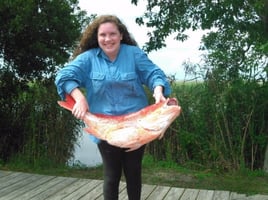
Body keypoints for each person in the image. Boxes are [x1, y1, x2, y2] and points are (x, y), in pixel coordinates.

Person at [55, 15, 171, 200]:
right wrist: (79, 98)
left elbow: (154, 74)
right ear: (97, 37)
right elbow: (64, 76)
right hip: (105, 127)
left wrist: (158, 91)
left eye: (112, 34)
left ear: (121, 35)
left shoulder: (133, 54)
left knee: (134, 173)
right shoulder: (88, 59)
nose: (107, 39)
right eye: (103, 35)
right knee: (111, 175)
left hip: (137, 126)